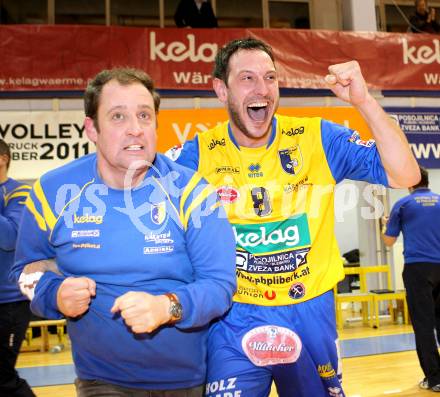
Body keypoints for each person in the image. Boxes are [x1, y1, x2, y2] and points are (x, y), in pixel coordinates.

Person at [167, 37, 420, 397]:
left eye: (270, 78)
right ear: (221, 90)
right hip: (233, 317)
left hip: (310, 312)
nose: (263, 89)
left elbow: (405, 174)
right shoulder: (196, 156)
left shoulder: (316, 137)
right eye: (247, 79)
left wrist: (364, 101)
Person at [10, 67, 236, 397]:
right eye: (118, 116)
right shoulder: (53, 191)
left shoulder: (191, 192)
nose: (135, 130)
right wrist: (54, 294)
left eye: (144, 116)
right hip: (100, 381)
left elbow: (220, 285)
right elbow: (24, 274)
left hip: (188, 381)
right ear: (92, 128)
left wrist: (167, 307)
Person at [382, 166, 440, 392]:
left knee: (423, 325)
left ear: (411, 182)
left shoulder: (403, 205)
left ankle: (435, 379)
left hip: (418, 269)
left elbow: (388, 241)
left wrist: (385, 224)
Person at [0, 139, 33, 397]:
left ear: (3, 159)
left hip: (8, 303)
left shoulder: (18, 192)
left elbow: (10, 238)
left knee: (3, 377)